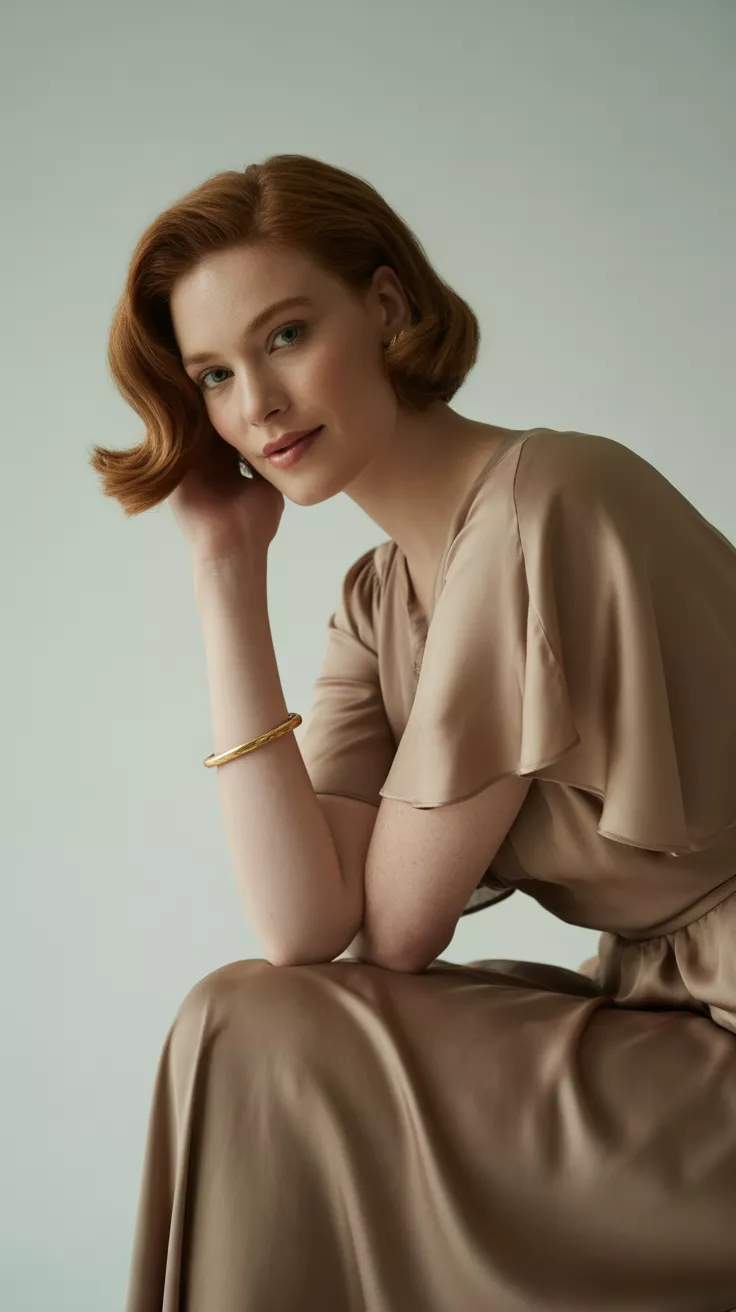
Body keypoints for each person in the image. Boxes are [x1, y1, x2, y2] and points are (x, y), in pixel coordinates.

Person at [91, 154, 736, 1311]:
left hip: (719, 1048)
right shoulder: (378, 598)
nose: (256, 404)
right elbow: (302, 923)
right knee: (250, 1017)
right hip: (658, 1010)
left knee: (266, 1043)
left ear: (385, 308)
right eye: (214, 375)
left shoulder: (546, 502)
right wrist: (225, 573)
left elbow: (392, 925)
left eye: (285, 336)